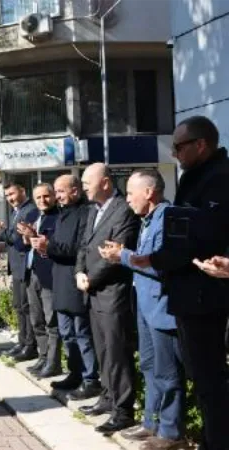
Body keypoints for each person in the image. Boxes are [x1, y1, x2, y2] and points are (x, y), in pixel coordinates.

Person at [131, 116, 229, 449]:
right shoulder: (195, 178)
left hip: (208, 297)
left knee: (211, 382)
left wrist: (158, 259)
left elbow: (200, 236)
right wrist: (154, 258)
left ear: (200, 144)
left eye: (179, 147)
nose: (174, 154)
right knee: (202, 381)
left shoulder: (219, 180)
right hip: (190, 296)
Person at [99, 169, 185, 449]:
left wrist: (122, 256)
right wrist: (124, 253)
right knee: (149, 366)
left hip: (162, 309)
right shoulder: (147, 220)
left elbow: (159, 263)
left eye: (131, 192)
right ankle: (151, 423)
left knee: (167, 372)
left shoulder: (168, 218)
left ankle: (171, 433)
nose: (128, 199)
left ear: (149, 192)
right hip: (147, 309)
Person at [75, 163, 140, 434]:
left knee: (117, 352)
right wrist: (79, 271)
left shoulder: (123, 210)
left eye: (87, 182)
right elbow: (84, 245)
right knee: (103, 350)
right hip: (92, 293)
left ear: (104, 183)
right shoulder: (93, 210)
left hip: (113, 294)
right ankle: (107, 397)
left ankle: (123, 410)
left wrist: (92, 278)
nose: (83, 188)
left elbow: (117, 253)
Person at [37, 175, 100, 397]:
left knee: (82, 333)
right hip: (60, 280)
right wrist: (44, 246)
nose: (58, 196)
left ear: (75, 190)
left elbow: (79, 249)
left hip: (75, 281)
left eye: (61, 191)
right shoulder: (63, 214)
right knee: (66, 332)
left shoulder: (86, 213)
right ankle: (75, 373)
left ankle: (90, 378)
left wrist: (49, 245)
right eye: (56, 191)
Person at [0, 182, 39, 362]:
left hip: (25, 266)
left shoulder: (30, 210)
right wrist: (1, 228)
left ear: (23, 191)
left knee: (25, 307)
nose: (10, 199)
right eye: (7, 196)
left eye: (12, 194)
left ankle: (30, 346)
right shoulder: (16, 211)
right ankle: (23, 342)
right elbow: (12, 235)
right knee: (18, 306)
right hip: (16, 266)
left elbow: (18, 240)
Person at [17, 184, 61, 379]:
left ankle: (53, 362)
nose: (42, 200)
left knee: (52, 321)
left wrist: (36, 237)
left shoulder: (58, 217)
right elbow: (25, 245)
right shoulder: (35, 217)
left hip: (49, 276)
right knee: (37, 319)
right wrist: (27, 237)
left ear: (54, 196)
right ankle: (43, 357)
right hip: (32, 273)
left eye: (46, 196)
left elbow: (57, 246)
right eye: (38, 197)